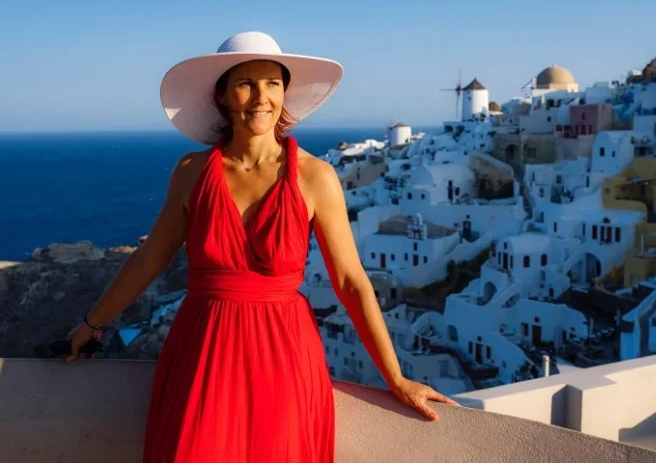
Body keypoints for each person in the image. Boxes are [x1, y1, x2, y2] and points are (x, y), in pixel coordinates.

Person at [64, 31, 458, 462]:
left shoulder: (315, 176)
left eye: (272, 83)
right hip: (203, 350)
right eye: (245, 83)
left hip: (284, 355)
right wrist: (93, 323)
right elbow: (148, 259)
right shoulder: (192, 172)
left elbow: (350, 281)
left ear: (285, 92)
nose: (260, 97)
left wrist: (396, 378)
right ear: (223, 95)